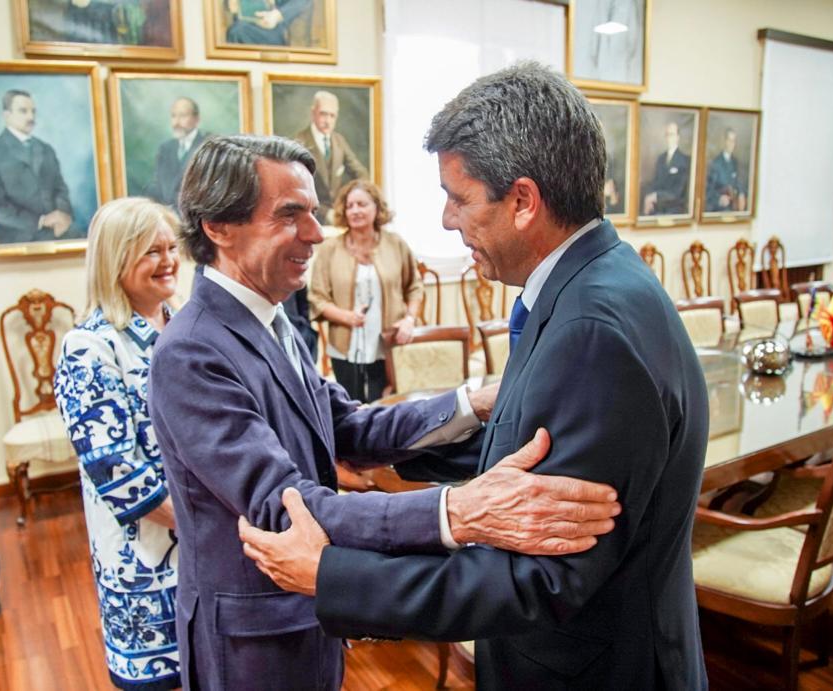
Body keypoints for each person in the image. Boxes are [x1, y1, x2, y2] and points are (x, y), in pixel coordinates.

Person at [240, 62, 710, 690]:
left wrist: (333, 575)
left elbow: (538, 576)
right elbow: (528, 469)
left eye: (458, 198)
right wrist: (402, 461)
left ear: (522, 201)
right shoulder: (593, 283)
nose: (444, 220)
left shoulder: (591, 330)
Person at [148, 134, 622, 690]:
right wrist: (458, 511)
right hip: (254, 640)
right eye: (290, 215)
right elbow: (288, 509)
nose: (316, 233)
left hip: (306, 613)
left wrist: (473, 401)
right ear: (219, 227)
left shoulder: (272, 319)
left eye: (315, 213)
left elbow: (349, 425)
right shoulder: (191, 351)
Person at [54, 197, 182, 691]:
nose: (168, 260)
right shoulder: (89, 347)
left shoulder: (187, 324)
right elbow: (116, 472)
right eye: (152, 251)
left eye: (172, 247)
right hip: (147, 558)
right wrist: (208, 524)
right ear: (115, 258)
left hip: (208, 543)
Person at [310, 180, 422, 402]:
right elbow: (317, 297)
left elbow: (415, 287)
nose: (355, 211)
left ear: (377, 208)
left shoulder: (396, 244)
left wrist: (409, 320)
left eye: (361, 204)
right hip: (344, 346)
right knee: (351, 406)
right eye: (350, 206)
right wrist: (347, 317)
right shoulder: (329, 249)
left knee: (386, 404)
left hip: (388, 344)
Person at [0, 89, 74, 244]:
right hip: (19, 235)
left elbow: (60, 188)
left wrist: (63, 214)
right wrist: (41, 221)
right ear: (7, 116)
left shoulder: (46, 149)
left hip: (57, 231)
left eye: (33, 111)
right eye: (23, 111)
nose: (31, 117)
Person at [292, 91, 370, 223]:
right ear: (313, 113)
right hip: (310, 218)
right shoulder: (300, 142)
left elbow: (361, 174)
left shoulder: (339, 141)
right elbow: (296, 189)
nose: (328, 121)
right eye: (323, 114)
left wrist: (350, 201)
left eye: (332, 116)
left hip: (338, 217)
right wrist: (325, 213)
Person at [144, 97, 210, 211]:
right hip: (168, 217)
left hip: (195, 217)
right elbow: (159, 185)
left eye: (183, 115)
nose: (176, 122)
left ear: (196, 119)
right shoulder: (165, 148)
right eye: (173, 116)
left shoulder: (207, 145)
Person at [642, 120, 691, 216]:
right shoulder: (661, 158)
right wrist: (648, 197)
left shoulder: (684, 160)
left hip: (675, 209)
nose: (669, 138)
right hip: (658, 207)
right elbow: (655, 183)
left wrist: (655, 196)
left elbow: (677, 193)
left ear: (678, 137)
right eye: (667, 135)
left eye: (672, 134)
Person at [225, 0, 311, 46]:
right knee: (236, 31)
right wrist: (231, 4)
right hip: (246, 24)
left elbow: (302, 1)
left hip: (274, 30)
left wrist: (277, 15)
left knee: (237, 32)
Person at [705, 128, 748, 212]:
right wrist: (719, 198)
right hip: (720, 210)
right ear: (724, 141)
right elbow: (708, 190)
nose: (731, 144)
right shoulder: (715, 163)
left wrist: (742, 193)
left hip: (735, 208)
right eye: (729, 140)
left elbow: (739, 183)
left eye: (734, 141)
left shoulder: (736, 162)